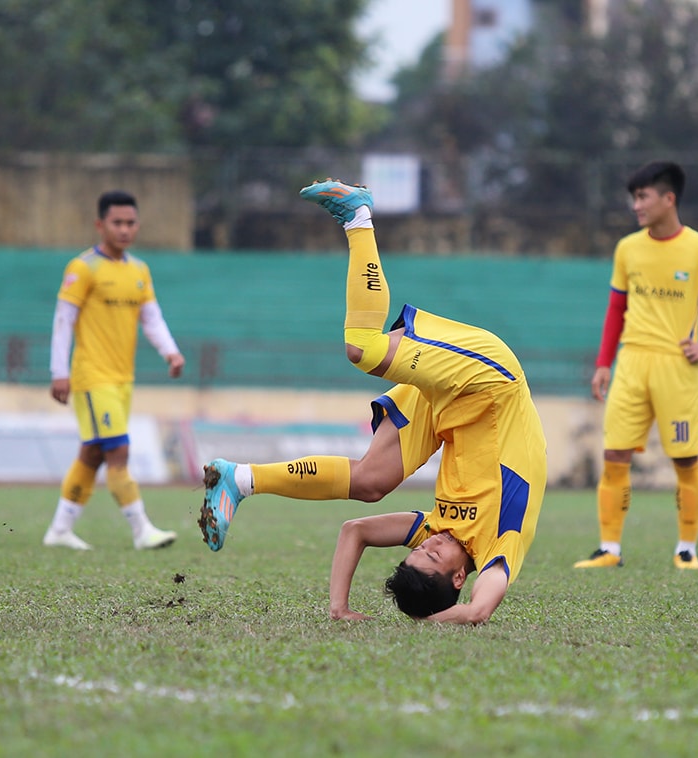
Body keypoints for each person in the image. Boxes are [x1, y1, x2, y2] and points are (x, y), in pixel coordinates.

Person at [198, 178, 547, 625]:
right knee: (362, 348)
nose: (427, 545)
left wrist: (339, 608)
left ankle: (239, 479)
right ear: (460, 577)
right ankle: (358, 215)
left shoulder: (436, 530)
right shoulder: (501, 545)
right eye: (432, 556)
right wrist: (434, 622)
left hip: (450, 412)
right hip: (491, 383)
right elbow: (478, 611)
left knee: (369, 483)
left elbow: (355, 531)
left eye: (418, 551)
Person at [573, 161, 698, 571]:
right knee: (614, 453)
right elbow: (617, 308)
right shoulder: (628, 248)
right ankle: (609, 549)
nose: (636, 205)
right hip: (631, 364)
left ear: (669, 199)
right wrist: (604, 363)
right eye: (634, 197)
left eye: (643, 196)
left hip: (677, 367)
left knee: (686, 460)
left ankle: (686, 549)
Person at [43, 190, 184, 551]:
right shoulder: (83, 268)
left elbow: (151, 317)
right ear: (100, 224)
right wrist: (59, 371)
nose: (124, 229)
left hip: (123, 379)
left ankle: (60, 530)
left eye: (130, 223)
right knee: (118, 452)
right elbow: (63, 320)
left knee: (92, 454)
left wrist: (170, 352)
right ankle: (142, 530)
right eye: (117, 222)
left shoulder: (138, 270)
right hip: (93, 377)